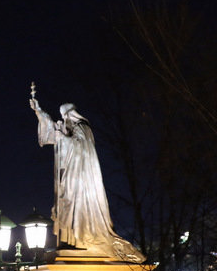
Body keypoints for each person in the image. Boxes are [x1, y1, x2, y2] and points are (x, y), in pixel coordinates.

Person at [30, 87, 144, 262]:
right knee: (67, 206)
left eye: (64, 117)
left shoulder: (82, 127)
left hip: (81, 179)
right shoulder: (70, 128)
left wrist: (62, 138)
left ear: (70, 115)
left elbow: (80, 147)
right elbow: (52, 134)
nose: (63, 121)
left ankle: (80, 238)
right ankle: (72, 240)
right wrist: (39, 111)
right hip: (70, 176)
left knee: (75, 207)